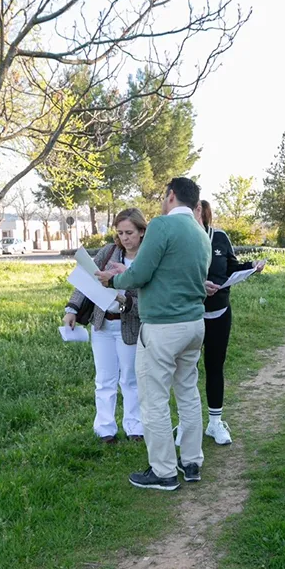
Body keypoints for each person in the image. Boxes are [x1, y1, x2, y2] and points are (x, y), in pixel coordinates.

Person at [98, 177, 211, 490]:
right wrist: (130, 274)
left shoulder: (162, 225)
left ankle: (163, 472)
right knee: (188, 393)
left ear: (171, 195)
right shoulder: (201, 233)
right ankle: (191, 461)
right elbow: (173, 272)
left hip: (163, 326)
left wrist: (113, 279)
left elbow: (142, 273)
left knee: (154, 400)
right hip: (194, 324)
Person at [63, 208, 146, 443]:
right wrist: (72, 309)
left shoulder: (147, 259)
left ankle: (135, 427)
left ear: (141, 231)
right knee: (104, 379)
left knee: (130, 378)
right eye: (120, 233)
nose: (124, 238)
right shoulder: (109, 252)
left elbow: (150, 297)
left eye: (129, 232)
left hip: (130, 325)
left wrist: (127, 298)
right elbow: (85, 280)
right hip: (102, 325)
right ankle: (105, 428)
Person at [198, 200, 266, 446]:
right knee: (185, 372)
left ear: (206, 215)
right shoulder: (180, 239)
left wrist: (251, 267)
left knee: (215, 367)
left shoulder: (220, 238)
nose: (195, 216)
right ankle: (188, 424)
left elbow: (230, 267)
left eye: (199, 213)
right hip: (189, 314)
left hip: (219, 312)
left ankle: (215, 423)